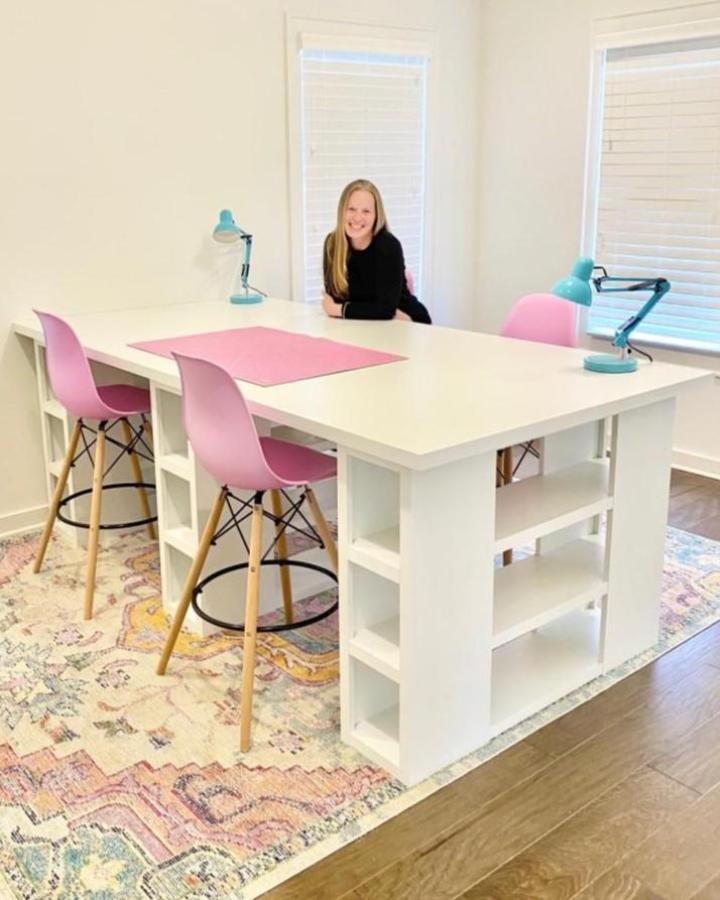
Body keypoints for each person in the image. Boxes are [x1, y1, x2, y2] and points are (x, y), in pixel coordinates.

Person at [322, 179, 432, 323]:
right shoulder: (332, 244)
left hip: (408, 320)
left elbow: (385, 310)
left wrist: (340, 310)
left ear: (376, 216)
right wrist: (374, 310)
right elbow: (335, 298)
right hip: (364, 325)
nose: (357, 217)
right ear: (341, 211)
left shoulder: (388, 246)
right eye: (351, 209)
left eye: (366, 211)